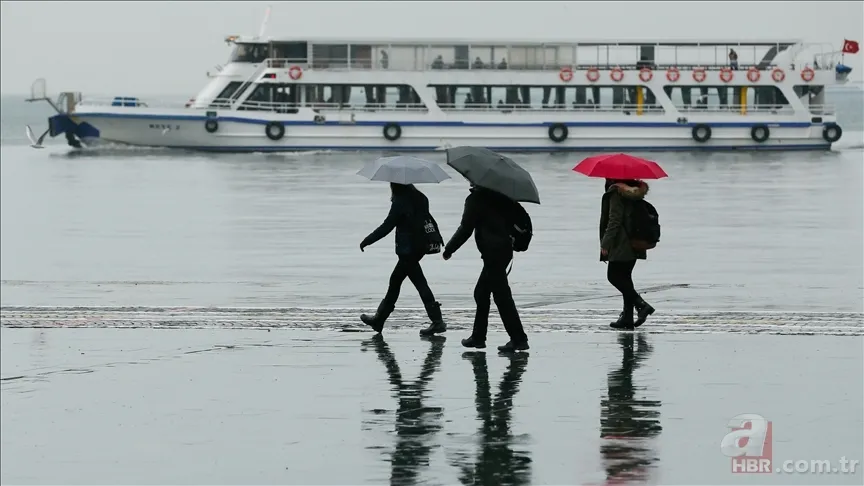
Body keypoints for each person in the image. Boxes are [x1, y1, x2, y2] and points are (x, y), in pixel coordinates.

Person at [442, 185, 529, 352]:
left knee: (502, 298)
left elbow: (466, 228)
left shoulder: (475, 199)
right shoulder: (502, 195)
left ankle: (519, 339)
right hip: (504, 251)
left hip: (493, 253)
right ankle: (478, 337)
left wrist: (449, 249)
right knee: (482, 293)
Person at [359, 182, 446, 336]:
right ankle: (379, 320)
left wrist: (368, 240)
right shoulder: (421, 197)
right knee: (398, 282)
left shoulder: (400, 202)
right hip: (420, 246)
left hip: (408, 249)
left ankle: (437, 321)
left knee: (415, 283)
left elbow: (387, 225)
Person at [599, 179, 656, 329]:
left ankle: (641, 305)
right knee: (626, 279)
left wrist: (606, 243)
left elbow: (614, 220)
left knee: (613, 276)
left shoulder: (616, 194)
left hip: (620, 243)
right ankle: (628, 317)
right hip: (635, 242)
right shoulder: (635, 193)